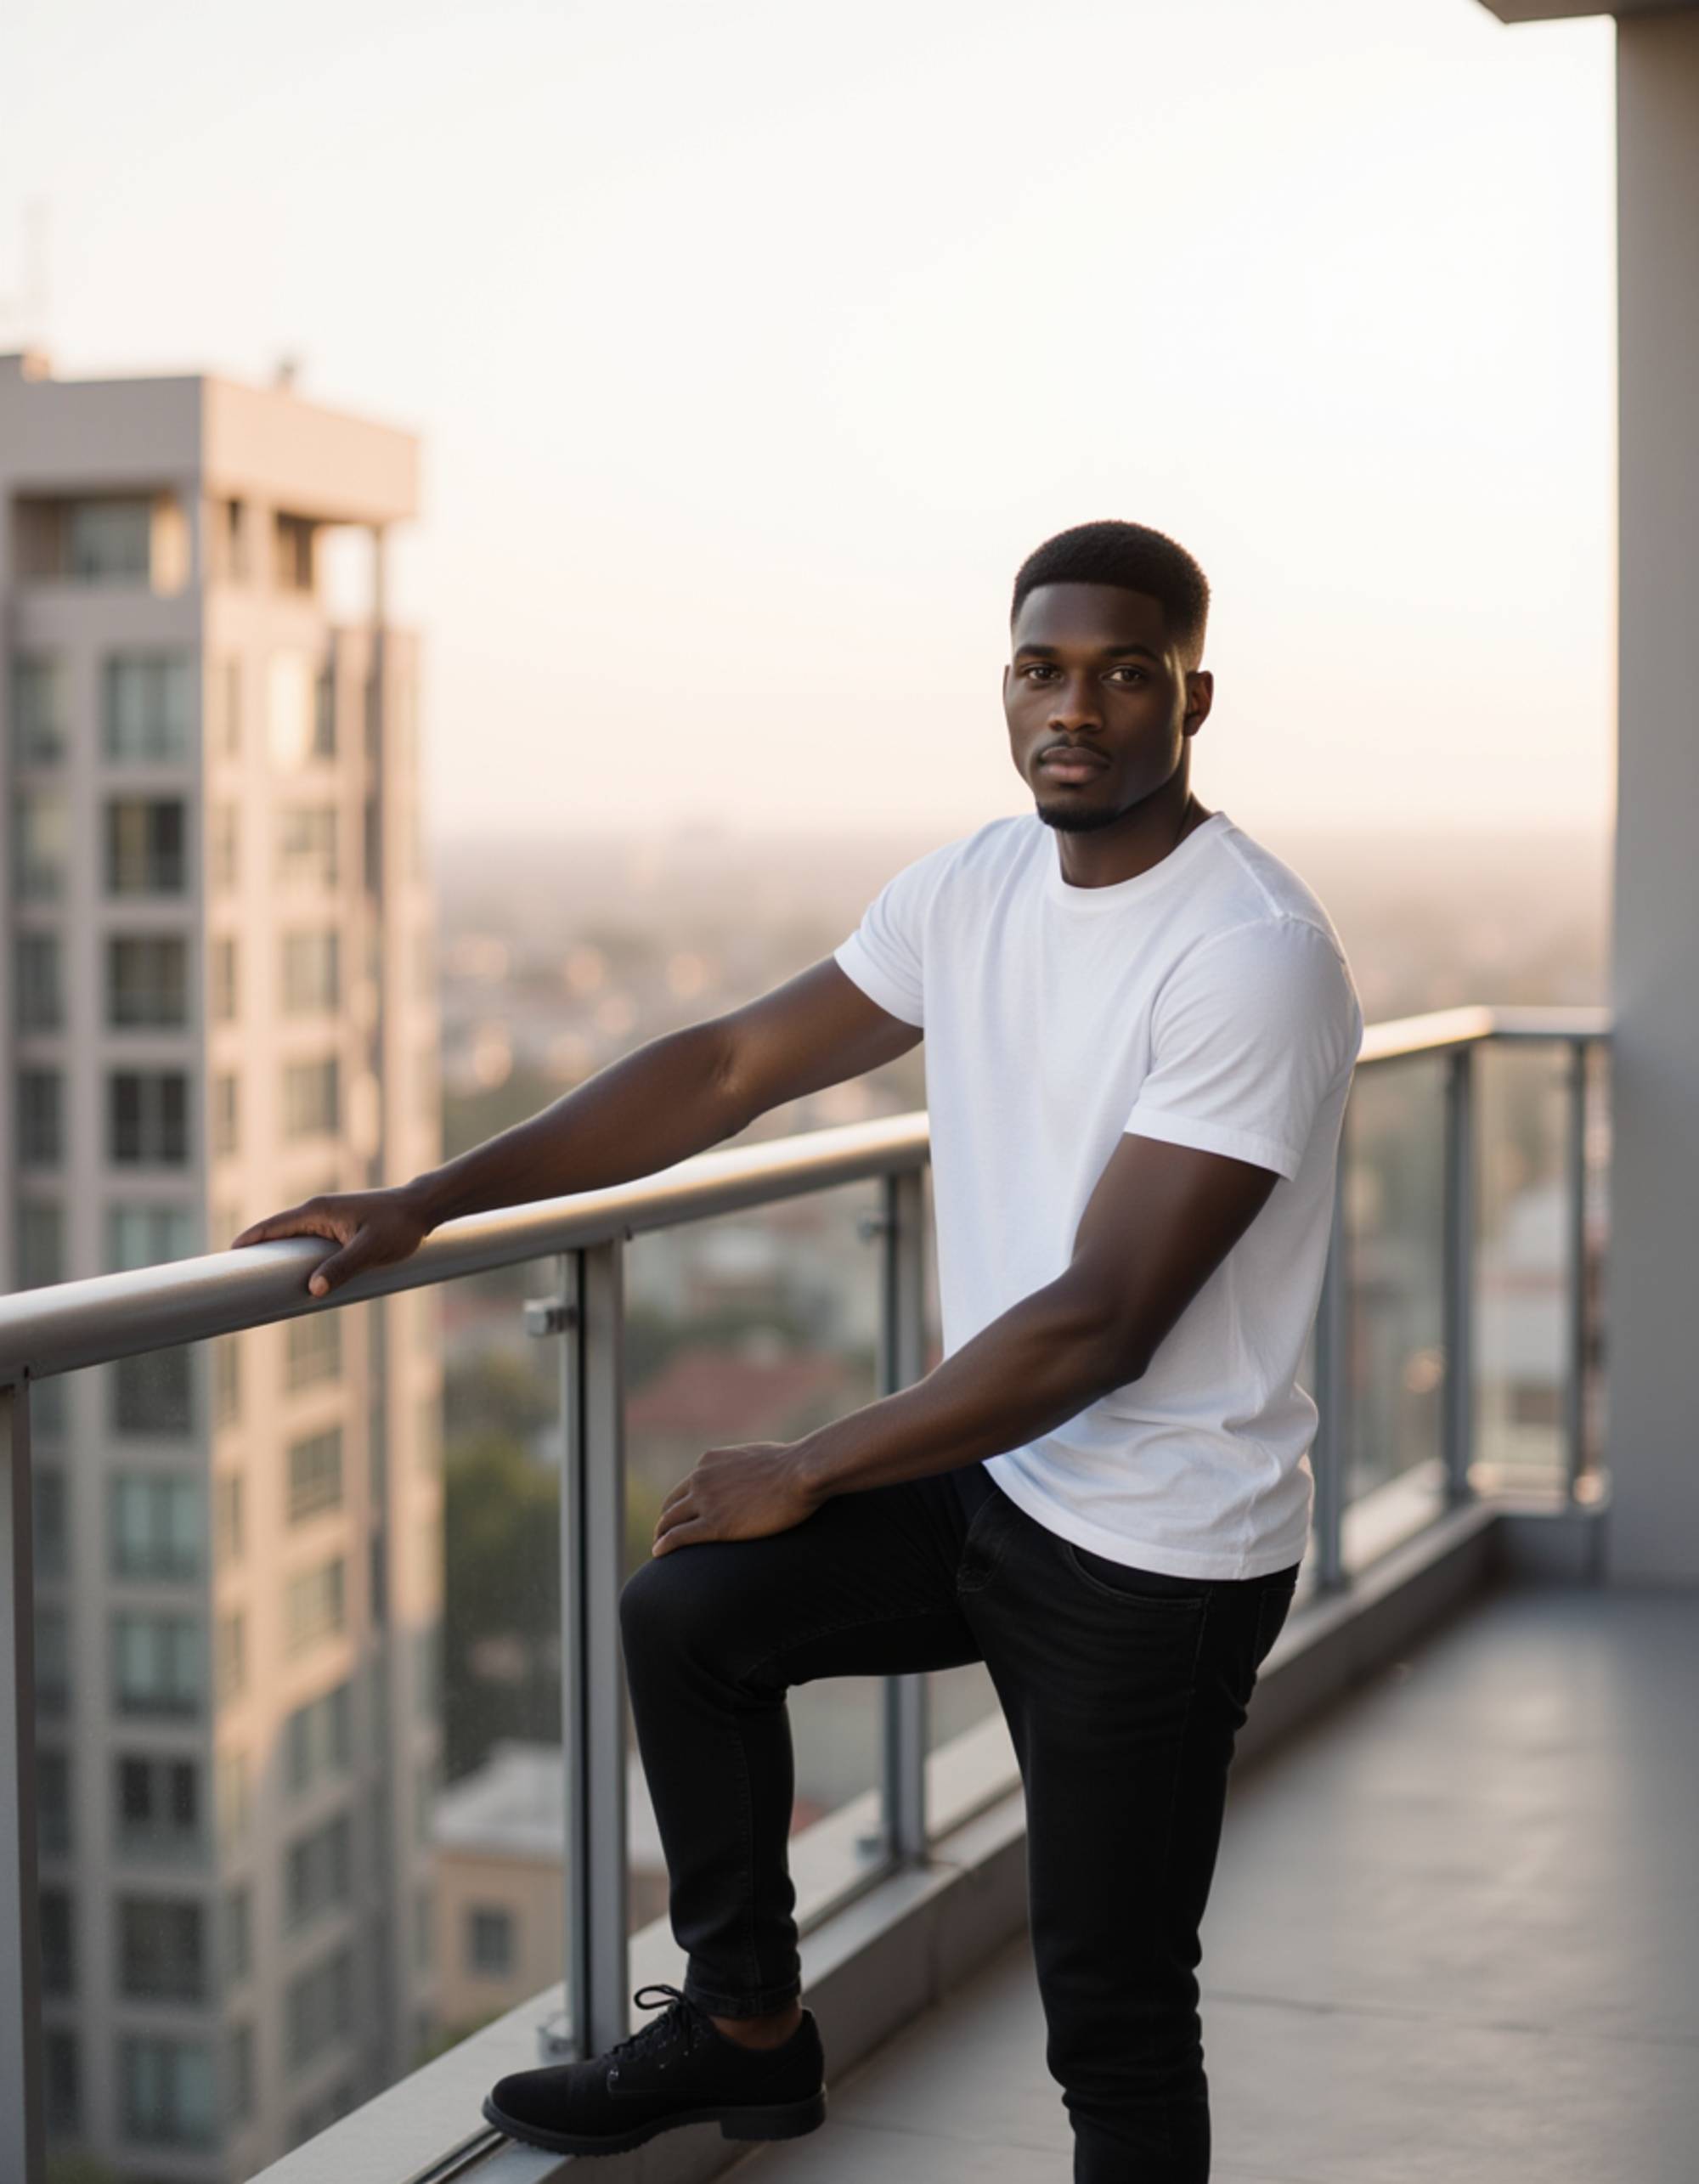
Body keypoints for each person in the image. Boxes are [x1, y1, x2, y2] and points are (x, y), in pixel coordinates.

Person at [233, 519, 1362, 2181]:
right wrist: (429, 1192)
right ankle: (749, 2025)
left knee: (1110, 2008)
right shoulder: (972, 885)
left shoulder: (1250, 954)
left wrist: (812, 1461)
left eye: (1126, 673)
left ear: (1196, 697)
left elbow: (1101, 1320)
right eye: (1043, 669)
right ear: (1005, 684)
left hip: (1159, 1548)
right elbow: (727, 1065)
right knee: (688, 1608)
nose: (1077, 706)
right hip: (1001, 1482)